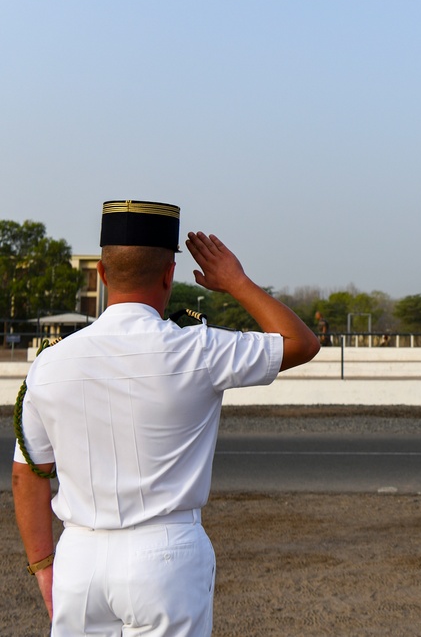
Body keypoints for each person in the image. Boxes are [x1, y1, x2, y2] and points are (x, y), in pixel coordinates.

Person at [12, 200, 320, 635]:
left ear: (101, 275)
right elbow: (301, 342)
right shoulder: (199, 350)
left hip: (79, 559)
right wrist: (236, 282)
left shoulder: (50, 364)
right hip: (165, 557)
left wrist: (45, 567)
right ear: (168, 275)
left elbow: (29, 476)